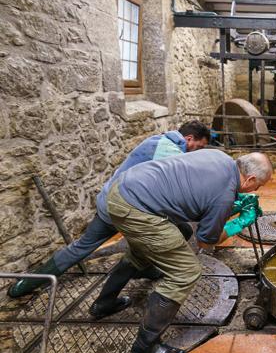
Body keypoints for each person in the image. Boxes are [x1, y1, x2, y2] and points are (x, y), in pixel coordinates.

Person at [89, 150, 272, 353]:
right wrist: (238, 223)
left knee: (173, 235)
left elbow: (199, 198)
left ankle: (104, 303)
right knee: (185, 272)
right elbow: (206, 241)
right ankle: (145, 349)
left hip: (125, 189)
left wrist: (228, 207)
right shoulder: (224, 195)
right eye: (258, 185)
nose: (256, 190)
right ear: (250, 179)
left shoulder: (220, 157)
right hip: (136, 207)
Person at [8, 121, 211, 298]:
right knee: (178, 231)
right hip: (127, 208)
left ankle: (24, 285)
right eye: (198, 147)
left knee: (82, 246)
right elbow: (173, 189)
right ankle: (123, 283)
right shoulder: (170, 152)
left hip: (112, 201)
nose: (195, 152)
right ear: (189, 138)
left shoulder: (158, 140)